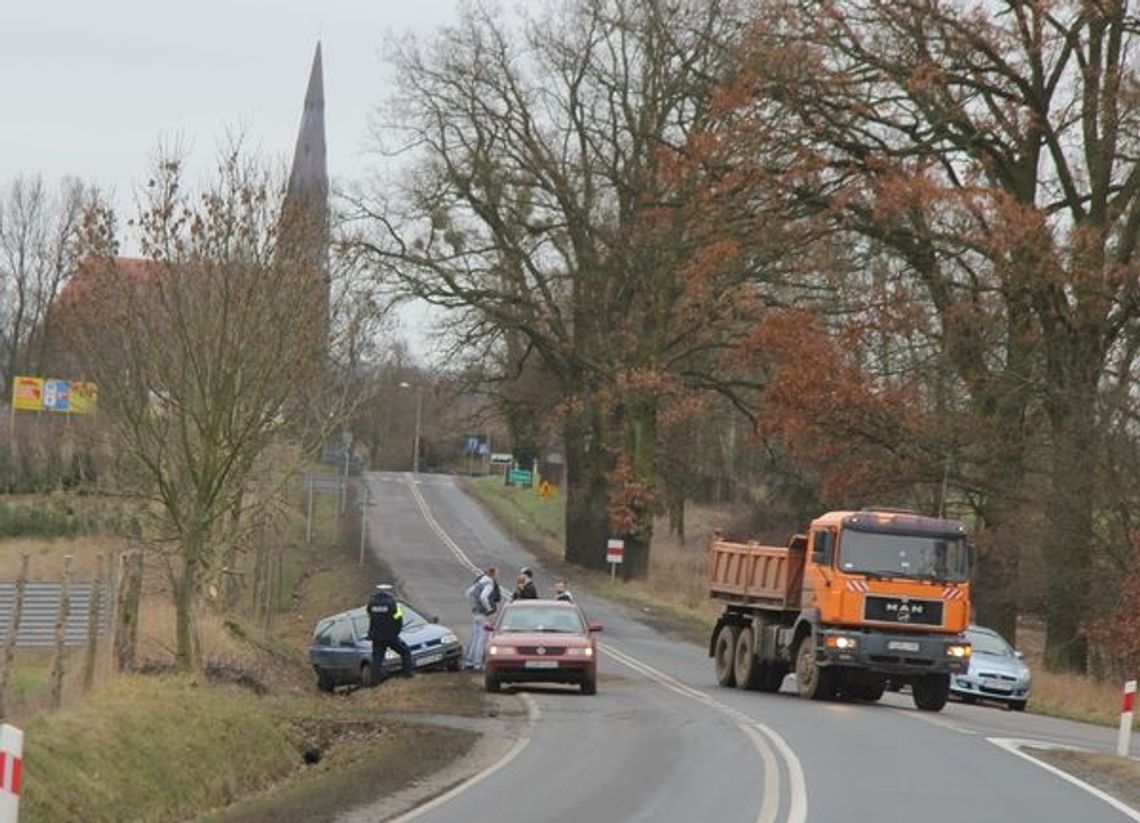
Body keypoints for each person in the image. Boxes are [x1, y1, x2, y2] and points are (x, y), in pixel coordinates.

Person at [367, 583, 413, 683]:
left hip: (376, 637)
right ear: (389, 592)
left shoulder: (371, 603)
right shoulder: (393, 603)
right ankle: (407, 675)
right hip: (390, 636)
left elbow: (370, 616)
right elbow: (398, 619)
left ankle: (375, 682)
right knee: (405, 652)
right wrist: (396, 632)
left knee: (377, 660)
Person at [463, 566, 498, 671]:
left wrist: (474, 604)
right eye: (497, 573)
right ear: (493, 574)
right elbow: (484, 597)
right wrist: (489, 608)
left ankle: (469, 661)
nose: (497, 575)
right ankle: (477, 664)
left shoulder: (480, 581)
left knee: (474, 638)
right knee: (481, 639)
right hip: (483, 614)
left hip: (475, 613)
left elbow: (468, 592)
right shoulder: (489, 583)